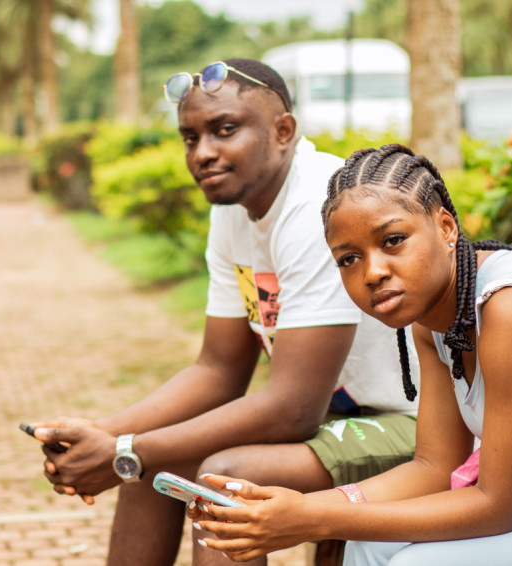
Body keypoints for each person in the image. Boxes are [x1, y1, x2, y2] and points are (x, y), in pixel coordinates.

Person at [29, 60, 419, 566]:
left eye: (225, 130)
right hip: (340, 413)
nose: (204, 153)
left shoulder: (319, 204)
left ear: (283, 130)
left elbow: (291, 408)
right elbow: (217, 370)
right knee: (152, 464)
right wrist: (107, 437)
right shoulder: (233, 211)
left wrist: (127, 450)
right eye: (190, 137)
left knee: (222, 475)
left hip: (415, 419)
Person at [188, 144, 512, 565]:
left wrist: (315, 518)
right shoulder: (432, 323)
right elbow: (434, 466)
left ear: (446, 227)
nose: (372, 272)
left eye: (392, 240)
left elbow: (498, 506)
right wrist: (288, 508)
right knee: (367, 546)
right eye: (349, 259)